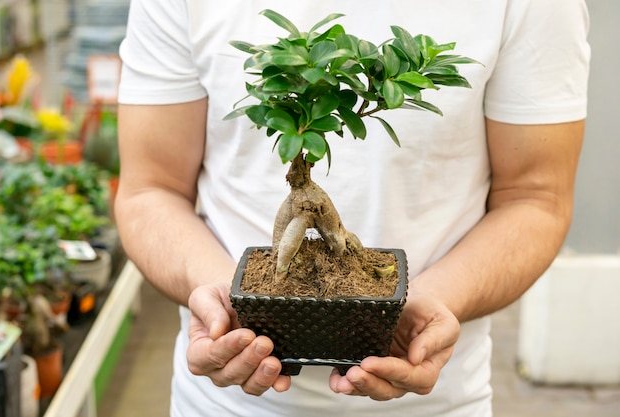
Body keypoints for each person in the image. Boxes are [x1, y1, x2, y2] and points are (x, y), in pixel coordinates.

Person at [115, 1, 590, 416]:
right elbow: (149, 190)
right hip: (221, 408)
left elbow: (536, 198)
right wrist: (221, 301)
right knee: (302, 212)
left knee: (325, 227)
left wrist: (436, 300)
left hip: (442, 405)